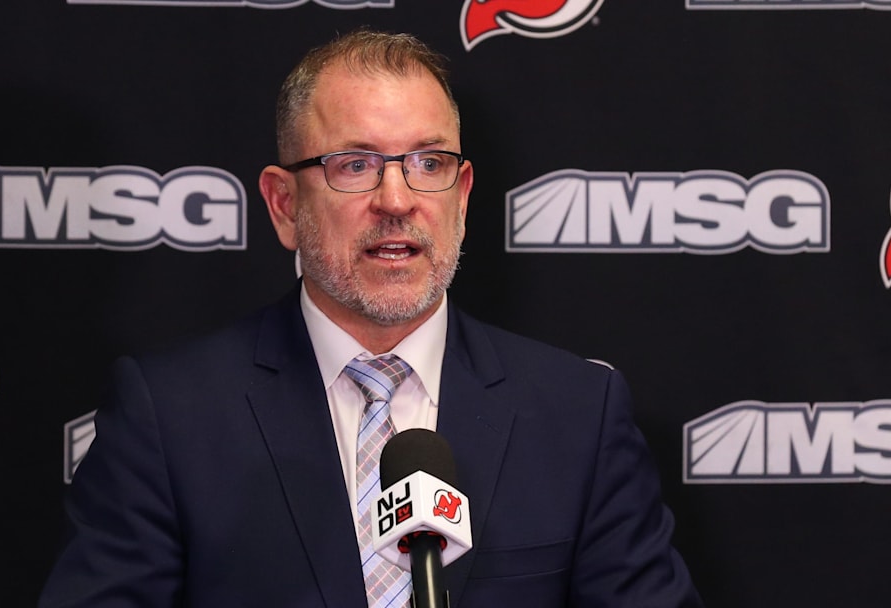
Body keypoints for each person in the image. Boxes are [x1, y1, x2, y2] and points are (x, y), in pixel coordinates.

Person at [39, 29, 702, 607]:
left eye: (428, 163)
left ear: (463, 197)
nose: (397, 199)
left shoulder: (579, 415)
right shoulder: (171, 416)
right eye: (354, 165)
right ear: (282, 204)